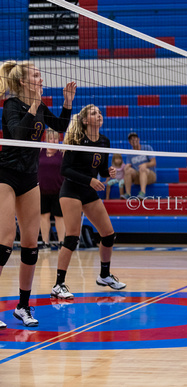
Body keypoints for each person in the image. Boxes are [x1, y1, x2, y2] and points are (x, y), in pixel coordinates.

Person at [0, 60, 76, 327]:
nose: (41, 79)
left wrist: (67, 103)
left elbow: (60, 126)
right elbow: (19, 133)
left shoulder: (41, 106)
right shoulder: (10, 105)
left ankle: (23, 306)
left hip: (29, 178)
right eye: (36, 75)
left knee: (31, 244)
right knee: (5, 242)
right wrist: (33, 106)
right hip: (6, 175)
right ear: (23, 81)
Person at [51, 104, 126, 300]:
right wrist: (90, 180)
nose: (99, 115)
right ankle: (59, 285)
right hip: (71, 191)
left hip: (89, 191)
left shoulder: (104, 141)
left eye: (100, 112)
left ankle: (104, 276)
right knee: (72, 237)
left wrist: (107, 172)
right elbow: (65, 170)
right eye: (94, 113)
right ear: (85, 120)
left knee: (108, 234)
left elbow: (100, 170)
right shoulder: (76, 140)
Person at [38, 128, 65, 250]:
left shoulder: (62, 152)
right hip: (42, 191)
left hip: (58, 190)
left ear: (59, 139)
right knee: (44, 216)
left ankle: (61, 242)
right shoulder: (40, 150)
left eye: (55, 139)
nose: (53, 141)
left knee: (59, 216)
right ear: (46, 139)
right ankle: (45, 242)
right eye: (50, 138)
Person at [122, 132, 156, 199]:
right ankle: (128, 193)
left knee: (142, 169)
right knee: (128, 170)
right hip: (138, 176)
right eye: (131, 139)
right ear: (129, 142)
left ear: (138, 139)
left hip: (150, 175)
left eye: (135, 138)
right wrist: (126, 167)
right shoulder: (130, 153)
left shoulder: (147, 148)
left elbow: (153, 162)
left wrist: (145, 164)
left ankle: (142, 193)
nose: (133, 140)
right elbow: (128, 165)